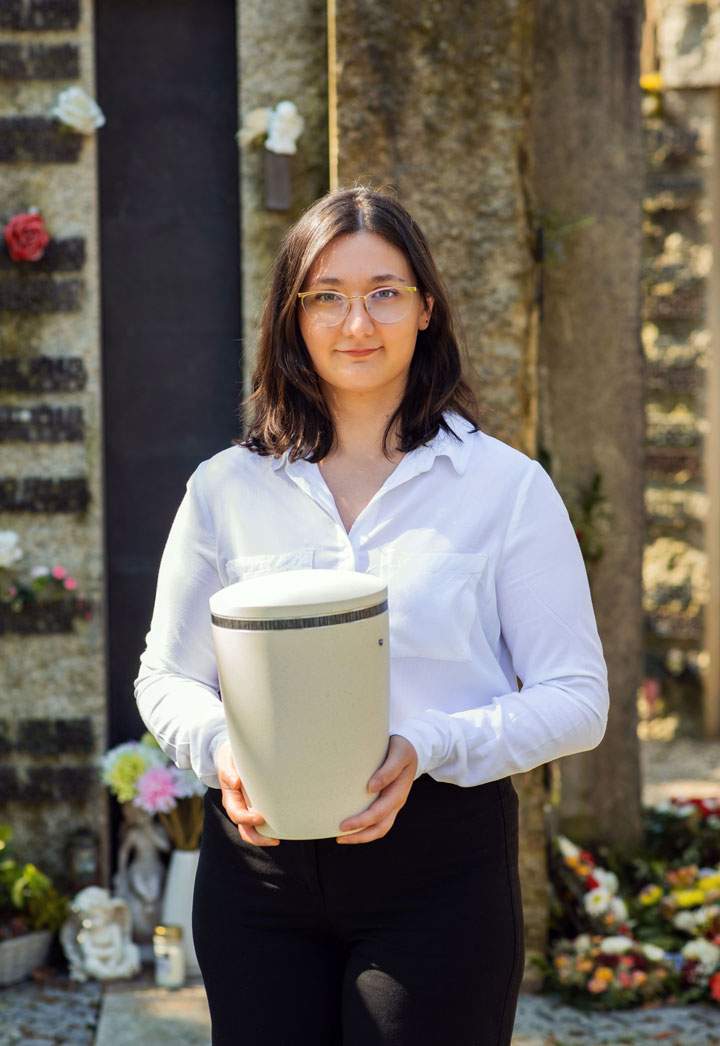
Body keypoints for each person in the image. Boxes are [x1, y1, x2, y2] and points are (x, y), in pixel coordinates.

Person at [134, 184, 609, 1045]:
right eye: (328, 296)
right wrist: (219, 750)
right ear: (293, 315)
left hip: (440, 873)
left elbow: (577, 697)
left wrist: (432, 745)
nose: (358, 322)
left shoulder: (505, 489)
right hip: (257, 877)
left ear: (426, 308)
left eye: (384, 292)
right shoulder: (224, 489)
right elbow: (166, 676)